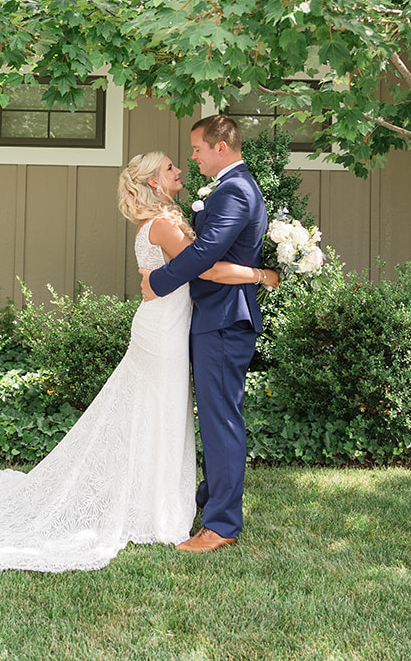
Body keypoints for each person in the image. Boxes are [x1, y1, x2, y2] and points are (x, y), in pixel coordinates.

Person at [0, 150, 276, 572]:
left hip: (166, 325)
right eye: (171, 168)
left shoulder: (162, 221)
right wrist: (263, 275)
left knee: (158, 413)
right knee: (161, 412)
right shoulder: (164, 225)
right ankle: (154, 506)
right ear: (154, 182)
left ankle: (156, 497)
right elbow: (205, 269)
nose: (179, 171)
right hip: (163, 332)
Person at [141, 114, 268, 555]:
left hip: (222, 318)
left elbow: (206, 253)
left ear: (220, 147)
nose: (192, 157)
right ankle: (209, 504)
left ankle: (221, 526)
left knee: (221, 423)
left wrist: (158, 282)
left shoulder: (234, 189)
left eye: (196, 149)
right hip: (217, 317)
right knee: (216, 421)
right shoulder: (234, 186)